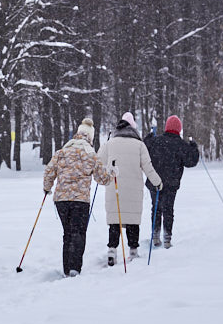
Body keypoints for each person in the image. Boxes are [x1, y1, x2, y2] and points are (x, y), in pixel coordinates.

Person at [42, 118, 112, 277]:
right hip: (80, 201)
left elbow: (49, 171)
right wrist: (112, 173)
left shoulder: (62, 152)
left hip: (61, 201)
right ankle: (75, 268)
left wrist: (47, 188)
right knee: (78, 233)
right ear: (90, 137)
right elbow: (103, 179)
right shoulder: (90, 154)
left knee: (67, 233)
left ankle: (67, 268)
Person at [99, 111, 163, 266]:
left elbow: (98, 162)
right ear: (133, 129)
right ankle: (133, 251)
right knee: (132, 221)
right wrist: (157, 182)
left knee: (115, 221)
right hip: (134, 190)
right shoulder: (139, 145)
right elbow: (148, 167)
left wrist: (104, 175)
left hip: (114, 188)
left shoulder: (110, 144)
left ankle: (112, 250)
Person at [142, 114, 200, 248]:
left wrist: (149, 137)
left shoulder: (156, 141)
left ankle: (155, 235)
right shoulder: (181, 145)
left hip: (155, 182)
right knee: (168, 209)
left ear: (167, 127)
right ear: (179, 129)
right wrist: (194, 147)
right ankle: (167, 239)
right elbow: (191, 161)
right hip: (171, 183)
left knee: (155, 208)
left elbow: (144, 149)